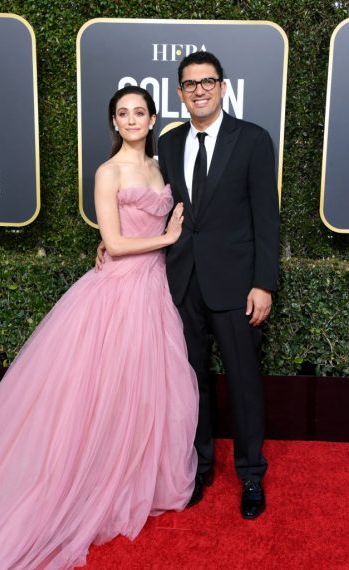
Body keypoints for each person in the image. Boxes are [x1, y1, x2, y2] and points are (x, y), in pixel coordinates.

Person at [0, 85, 198, 570]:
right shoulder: (109, 172)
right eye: (122, 113)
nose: (131, 120)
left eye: (139, 112)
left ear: (153, 120)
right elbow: (112, 239)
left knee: (149, 390)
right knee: (103, 390)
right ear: (114, 122)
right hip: (118, 291)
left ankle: (137, 478)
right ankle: (88, 481)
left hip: (155, 290)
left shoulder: (161, 165)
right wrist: (166, 235)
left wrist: (170, 238)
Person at [158, 51, 280, 519]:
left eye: (207, 81)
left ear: (223, 87)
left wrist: (263, 283)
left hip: (236, 285)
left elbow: (266, 219)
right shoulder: (169, 145)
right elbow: (160, 210)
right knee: (192, 384)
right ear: (180, 93)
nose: (199, 90)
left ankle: (251, 473)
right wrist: (114, 243)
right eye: (190, 84)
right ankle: (199, 466)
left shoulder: (252, 140)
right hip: (184, 282)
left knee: (244, 383)